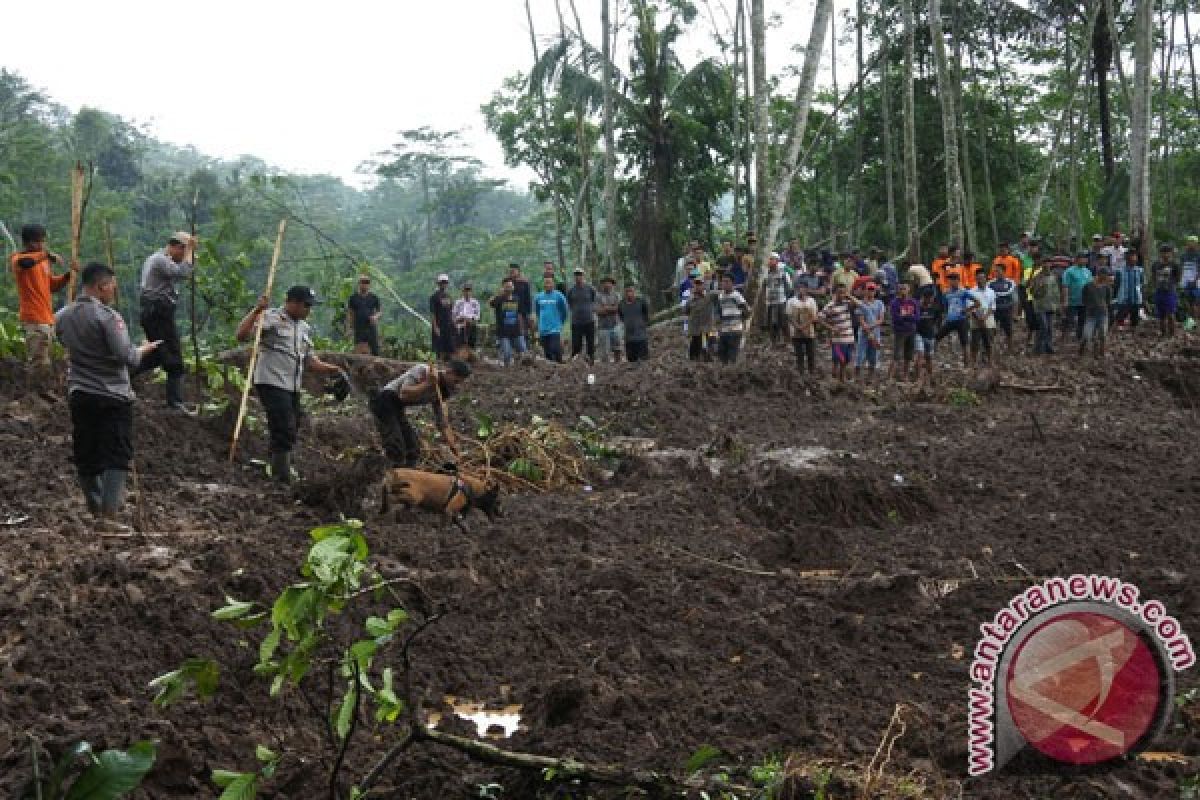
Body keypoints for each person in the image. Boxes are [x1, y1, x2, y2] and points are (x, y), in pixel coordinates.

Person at [56, 263, 160, 532]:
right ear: (101, 286)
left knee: (86, 452)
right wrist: (144, 350)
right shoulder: (108, 317)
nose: (114, 289)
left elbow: (63, 342)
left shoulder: (63, 315)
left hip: (80, 393)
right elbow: (127, 357)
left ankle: (94, 507)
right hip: (112, 394)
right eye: (112, 285)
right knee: (116, 453)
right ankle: (109, 515)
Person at [235, 286, 347, 483]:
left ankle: (274, 463)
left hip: (291, 385)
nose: (308, 310)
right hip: (271, 380)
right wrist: (256, 311)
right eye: (306, 305)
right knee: (283, 426)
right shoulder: (272, 318)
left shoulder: (304, 328)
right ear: (293, 302)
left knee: (293, 425)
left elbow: (310, 360)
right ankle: (281, 477)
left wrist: (334, 370)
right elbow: (242, 335)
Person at [134, 231, 196, 413]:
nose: (185, 258)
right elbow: (182, 272)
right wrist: (191, 248)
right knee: (174, 356)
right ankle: (175, 403)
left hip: (158, 314)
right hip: (157, 314)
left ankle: (125, 371)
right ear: (177, 247)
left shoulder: (161, 260)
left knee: (158, 355)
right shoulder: (159, 260)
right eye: (184, 252)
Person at [370, 361, 470, 467]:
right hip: (385, 400)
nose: (456, 385)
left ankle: (409, 475)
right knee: (395, 444)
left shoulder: (444, 390)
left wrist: (453, 446)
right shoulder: (423, 371)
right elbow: (404, 394)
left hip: (398, 408)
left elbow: (441, 422)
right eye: (456, 381)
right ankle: (392, 473)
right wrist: (427, 383)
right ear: (449, 372)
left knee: (413, 448)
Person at [11, 223, 76, 382]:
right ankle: (34, 394)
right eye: (38, 242)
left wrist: (68, 276)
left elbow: (51, 286)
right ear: (28, 243)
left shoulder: (42, 260)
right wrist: (47, 255)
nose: (41, 245)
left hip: (46, 317)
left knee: (45, 359)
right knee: (38, 361)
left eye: (42, 241)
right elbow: (26, 263)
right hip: (33, 317)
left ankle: (41, 392)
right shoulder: (18, 260)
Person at [818, 284, 857, 383]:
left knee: (847, 360)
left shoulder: (847, 303)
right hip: (837, 341)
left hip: (849, 339)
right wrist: (831, 328)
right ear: (835, 293)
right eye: (840, 292)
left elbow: (859, 304)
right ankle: (838, 379)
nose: (842, 294)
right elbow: (819, 318)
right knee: (841, 359)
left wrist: (849, 296)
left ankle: (840, 379)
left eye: (843, 292)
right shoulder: (830, 306)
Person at [935, 272, 971, 367]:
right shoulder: (946, 293)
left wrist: (966, 310)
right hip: (950, 320)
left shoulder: (963, 291)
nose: (951, 281)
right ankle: (932, 359)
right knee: (937, 337)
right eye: (950, 279)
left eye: (954, 279)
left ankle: (966, 365)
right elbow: (944, 305)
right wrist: (945, 315)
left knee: (965, 343)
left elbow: (977, 302)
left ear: (958, 280)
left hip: (961, 320)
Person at [489, 278, 527, 366]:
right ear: (503, 287)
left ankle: (520, 368)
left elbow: (520, 314)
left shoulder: (517, 298)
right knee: (507, 354)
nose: (509, 288)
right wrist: (499, 294)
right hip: (503, 332)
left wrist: (522, 328)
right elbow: (491, 303)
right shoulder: (499, 299)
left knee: (523, 350)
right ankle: (507, 370)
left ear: (513, 287)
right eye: (507, 286)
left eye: (510, 286)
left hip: (516, 331)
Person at [714, 273, 750, 364]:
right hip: (724, 329)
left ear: (732, 283)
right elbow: (719, 312)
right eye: (723, 281)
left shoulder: (737, 296)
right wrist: (717, 327)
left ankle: (732, 373)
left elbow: (746, 310)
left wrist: (741, 322)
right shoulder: (720, 296)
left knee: (732, 354)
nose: (725, 284)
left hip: (735, 329)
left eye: (727, 281)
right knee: (722, 354)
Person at [1028, 257, 1062, 355]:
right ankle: (1038, 348)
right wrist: (1039, 287)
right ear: (1042, 265)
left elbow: (1056, 292)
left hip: (1051, 306)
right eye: (1045, 263)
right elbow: (1032, 291)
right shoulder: (1037, 277)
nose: (1047, 265)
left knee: (1050, 328)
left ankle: (1048, 347)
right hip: (1040, 306)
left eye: (1049, 263)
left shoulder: (1054, 276)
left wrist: (1058, 304)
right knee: (1043, 327)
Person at [533, 274, 569, 362]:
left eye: (549, 282)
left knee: (555, 349)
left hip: (555, 329)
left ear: (553, 284)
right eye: (545, 283)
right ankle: (551, 371)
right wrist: (539, 324)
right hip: (543, 329)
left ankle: (560, 366)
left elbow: (564, 311)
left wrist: (560, 322)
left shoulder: (559, 296)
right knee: (547, 353)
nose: (547, 285)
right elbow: (537, 312)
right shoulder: (538, 297)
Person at [853, 283, 885, 383]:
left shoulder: (879, 303)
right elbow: (861, 320)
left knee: (874, 356)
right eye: (869, 289)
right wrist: (867, 330)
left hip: (875, 332)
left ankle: (870, 378)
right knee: (860, 355)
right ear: (865, 290)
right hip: (863, 333)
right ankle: (857, 377)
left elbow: (881, 319)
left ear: (875, 291)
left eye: (872, 290)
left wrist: (870, 327)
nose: (871, 291)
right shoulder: (861, 303)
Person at [888, 282, 919, 382]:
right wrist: (909, 317)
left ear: (909, 289)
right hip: (900, 332)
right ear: (898, 290)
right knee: (896, 355)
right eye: (901, 289)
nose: (903, 291)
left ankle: (905, 376)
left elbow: (917, 317)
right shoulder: (894, 303)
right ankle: (890, 377)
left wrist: (905, 316)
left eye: (904, 288)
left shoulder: (913, 302)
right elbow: (896, 318)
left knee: (908, 356)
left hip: (911, 331)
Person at [786, 283, 819, 375]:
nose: (801, 290)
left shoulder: (812, 301)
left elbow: (814, 316)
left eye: (803, 288)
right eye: (799, 288)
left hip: (809, 331)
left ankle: (811, 372)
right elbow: (789, 316)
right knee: (799, 354)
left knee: (811, 353)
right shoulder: (791, 301)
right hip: (796, 332)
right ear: (796, 289)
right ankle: (801, 372)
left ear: (806, 289)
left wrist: (803, 326)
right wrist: (797, 326)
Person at [566, 268, 598, 363]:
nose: (578, 277)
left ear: (583, 276)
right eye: (576, 275)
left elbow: (593, 300)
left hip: (589, 321)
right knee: (576, 345)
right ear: (574, 277)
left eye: (580, 275)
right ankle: (576, 364)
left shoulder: (590, 288)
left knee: (590, 345)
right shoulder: (571, 290)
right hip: (576, 322)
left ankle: (591, 363)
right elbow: (569, 303)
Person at [966, 270, 997, 368]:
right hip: (976, 317)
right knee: (975, 342)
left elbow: (992, 307)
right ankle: (973, 362)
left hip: (988, 317)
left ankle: (990, 361)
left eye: (982, 278)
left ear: (986, 278)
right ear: (975, 279)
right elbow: (970, 307)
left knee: (989, 341)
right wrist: (978, 318)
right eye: (978, 278)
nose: (980, 280)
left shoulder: (991, 292)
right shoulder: (971, 292)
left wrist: (985, 317)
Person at [1061, 251, 1094, 341]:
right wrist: (1065, 300)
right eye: (1082, 258)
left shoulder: (1087, 271)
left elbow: (1091, 285)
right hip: (1072, 300)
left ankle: (1079, 337)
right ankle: (1064, 336)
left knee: (1082, 320)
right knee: (1069, 320)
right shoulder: (1069, 271)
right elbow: (1065, 286)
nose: (1084, 260)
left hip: (1084, 300)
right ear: (1077, 259)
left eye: (1085, 258)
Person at [346, 274, 382, 355]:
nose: (365, 284)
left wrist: (375, 317)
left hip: (371, 328)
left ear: (369, 284)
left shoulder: (374, 297)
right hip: (359, 329)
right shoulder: (353, 298)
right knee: (359, 351)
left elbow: (380, 311)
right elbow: (350, 314)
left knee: (375, 350)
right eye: (363, 282)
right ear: (359, 283)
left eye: (367, 282)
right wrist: (349, 328)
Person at [1081, 269, 1113, 358]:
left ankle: (1101, 353)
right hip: (1091, 314)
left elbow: (1108, 301)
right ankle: (1082, 348)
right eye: (1105, 275)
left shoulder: (1107, 288)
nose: (1107, 278)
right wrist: (1089, 306)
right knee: (1087, 335)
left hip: (1103, 313)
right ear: (1099, 275)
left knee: (1103, 334)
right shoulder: (1088, 286)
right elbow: (1084, 299)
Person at [1151, 243, 1180, 337]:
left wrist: (1172, 286)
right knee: (1161, 315)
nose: (1165, 254)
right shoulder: (1156, 264)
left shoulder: (1174, 264)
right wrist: (1155, 286)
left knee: (1171, 314)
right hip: (1159, 292)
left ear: (1171, 253)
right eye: (1163, 252)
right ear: (1160, 253)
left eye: (1167, 252)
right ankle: (1163, 334)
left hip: (1170, 292)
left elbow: (1177, 278)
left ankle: (1172, 334)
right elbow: (1153, 276)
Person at [764, 252, 793, 344]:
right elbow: (763, 286)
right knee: (771, 324)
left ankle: (787, 341)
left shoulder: (783, 273)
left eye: (772, 259)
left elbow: (788, 287)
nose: (770, 261)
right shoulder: (765, 273)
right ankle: (773, 343)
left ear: (777, 261)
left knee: (784, 322)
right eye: (769, 259)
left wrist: (787, 300)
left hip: (781, 301)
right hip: (769, 302)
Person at [1113, 247, 1145, 331]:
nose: (1134, 258)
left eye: (1135, 256)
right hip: (1123, 299)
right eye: (1131, 256)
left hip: (1136, 298)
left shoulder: (1140, 270)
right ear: (1126, 258)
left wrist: (1142, 297)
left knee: (1134, 320)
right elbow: (1116, 285)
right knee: (1120, 320)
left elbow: (1141, 284)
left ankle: (1133, 335)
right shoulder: (1120, 271)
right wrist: (1115, 298)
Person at [684, 275, 715, 361]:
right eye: (696, 284)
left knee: (709, 351)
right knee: (694, 352)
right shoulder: (690, 299)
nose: (698, 286)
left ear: (703, 285)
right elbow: (686, 311)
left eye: (700, 284)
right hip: (695, 330)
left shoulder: (709, 296)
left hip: (707, 328)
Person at [988, 267, 1018, 353]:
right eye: (995, 271)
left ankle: (1010, 348)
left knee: (1008, 330)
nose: (996, 272)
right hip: (995, 310)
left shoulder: (1010, 283)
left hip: (1007, 309)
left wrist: (1015, 313)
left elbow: (1015, 299)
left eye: (998, 270)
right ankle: (990, 349)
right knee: (992, 330)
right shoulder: (990, 284)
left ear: (1004, 271)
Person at [915, 289, 942, 385]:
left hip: (930, 335)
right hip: (918, 334)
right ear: (924, 297)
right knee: (920, 355)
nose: (930, 300)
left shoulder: (935, 308)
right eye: (928, 298)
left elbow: (937, 321)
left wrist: (936, 332)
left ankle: (930, 377)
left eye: (931, 298)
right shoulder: (917, 307)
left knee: (929, 357)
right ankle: (918, 378)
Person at [618, 284, 650, 362]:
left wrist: (641, 323)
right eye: (627, 291)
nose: (629, 293)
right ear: (624, 293)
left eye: (631, 291)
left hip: (641, 337)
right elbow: (621, 316)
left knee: (644, 360)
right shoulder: (621, 304)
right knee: (632, 361)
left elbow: (646, 314)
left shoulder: (641, 301)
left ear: (634, 292)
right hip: (629, 339)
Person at [428, 274, 456, 360]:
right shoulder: (434, 297)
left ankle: (447, 364)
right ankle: (436, 364)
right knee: (437, 347)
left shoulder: (449, 296)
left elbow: (451, 311)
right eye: (442, 282)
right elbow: (432, 313)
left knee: (449, 347)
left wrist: (453, 324)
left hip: (448, 325)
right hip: (439, 325)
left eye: (445, 282)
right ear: (438, 283)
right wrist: (435, 327)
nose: (444, 284)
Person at [595, 277, 622, 363]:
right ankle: (605, 372)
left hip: (615, 325)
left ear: (612, 285)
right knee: (604, 353)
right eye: (605, 283)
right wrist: (612, 308)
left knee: (618, 349)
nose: (607, 284)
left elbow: (619, 308)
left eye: (609, 283)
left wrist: (606, 307)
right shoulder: (598, 296)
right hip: (603, 327)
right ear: (602, 285)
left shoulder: (617, 295)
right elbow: (598, 311)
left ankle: (618, 367)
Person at [452, 283, 481, 352]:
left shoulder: (475, 302)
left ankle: (472, 353)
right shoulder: (458, 302)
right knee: (460, 345)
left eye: (469, 290)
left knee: (472, 344)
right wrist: (460, 318)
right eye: (466, 290)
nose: (467, 292)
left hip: (471, 325)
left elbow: (477, 316)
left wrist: (471, 319)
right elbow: (453, 315)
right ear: (463, 292)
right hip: (460, 325)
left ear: (471, 291)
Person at [1179, 235, 1200, 321]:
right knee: (1187, 301)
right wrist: (1180, 280)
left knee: (1196, 302)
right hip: (1185, 281)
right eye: (1190, 242)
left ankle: (1196, 320)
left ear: (1196, 244)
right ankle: (1190, 320)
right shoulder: (1183, 256)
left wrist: (1195, 280)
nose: (1191, 244)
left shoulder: (1198, 255)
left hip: (1196, 282)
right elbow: (1181, 268)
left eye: (1193, 242)